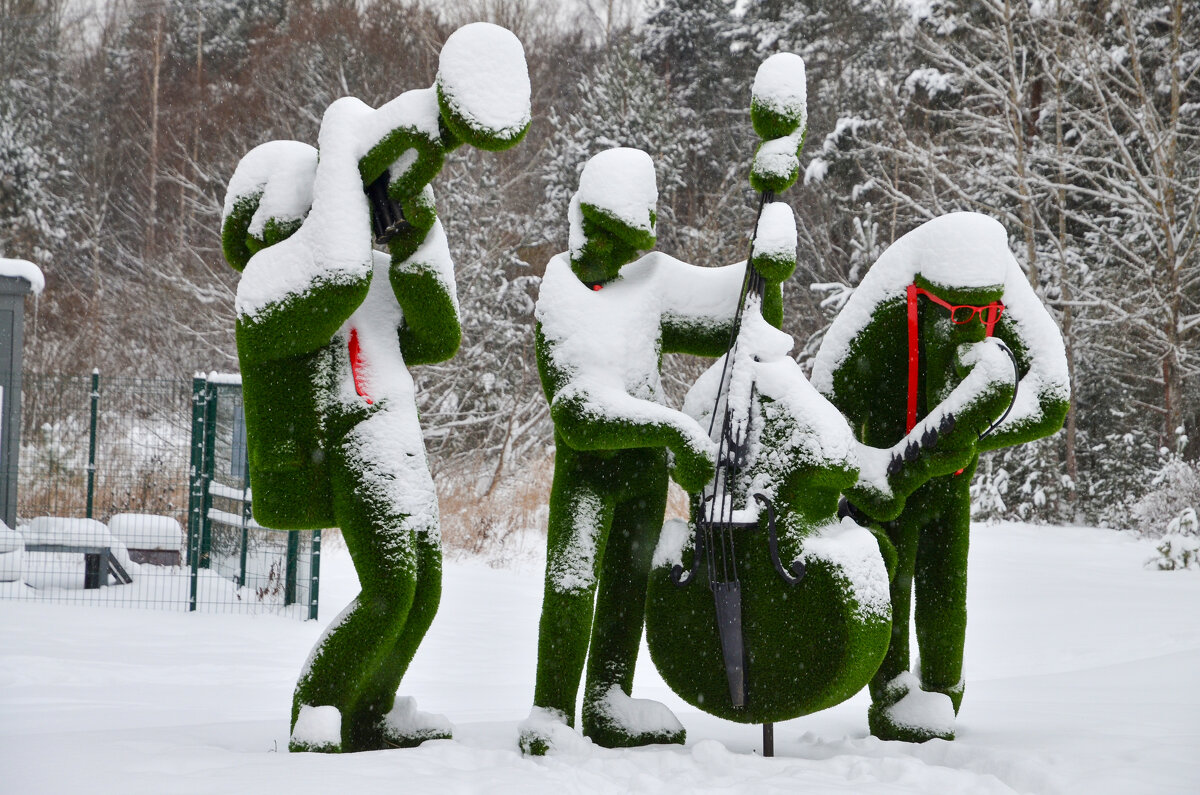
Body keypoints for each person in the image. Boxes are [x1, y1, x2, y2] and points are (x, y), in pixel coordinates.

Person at [220, 23, 530, 753]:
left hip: (398, 435)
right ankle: (319, 707)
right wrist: (342, 142)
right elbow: (336, 274)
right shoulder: (269, 285)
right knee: (390, 585)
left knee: (422, 590)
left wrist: (411, 227)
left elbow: (438, 333)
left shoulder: (363, 274)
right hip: (348, 441)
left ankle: (372, 708)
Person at [518, 147, 797, 753]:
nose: (619, 257)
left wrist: (767, 261)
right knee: (572, 585)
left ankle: (607, 699)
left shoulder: (647, 284)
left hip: (643, 474)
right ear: (584, 226)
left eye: (629, 245)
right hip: (590, 474)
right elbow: (581, 413)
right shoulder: (561, 294)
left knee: (628, 584)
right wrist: (674, 430)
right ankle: (551, 711)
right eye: (611, 241)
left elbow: (745, 321)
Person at [811, 212, 1070, 742]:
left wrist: (962, 437)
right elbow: (824, 404)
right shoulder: (889, 296)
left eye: (983, 312)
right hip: (885, 481)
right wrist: (868, 471)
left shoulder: (1001, 284)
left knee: (946, 592)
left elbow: (1049, 398)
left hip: (948, 482)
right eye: (957, 312)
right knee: (892, 587)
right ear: (923, 296)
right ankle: (892, 696)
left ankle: (946, 693)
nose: (973, 323)